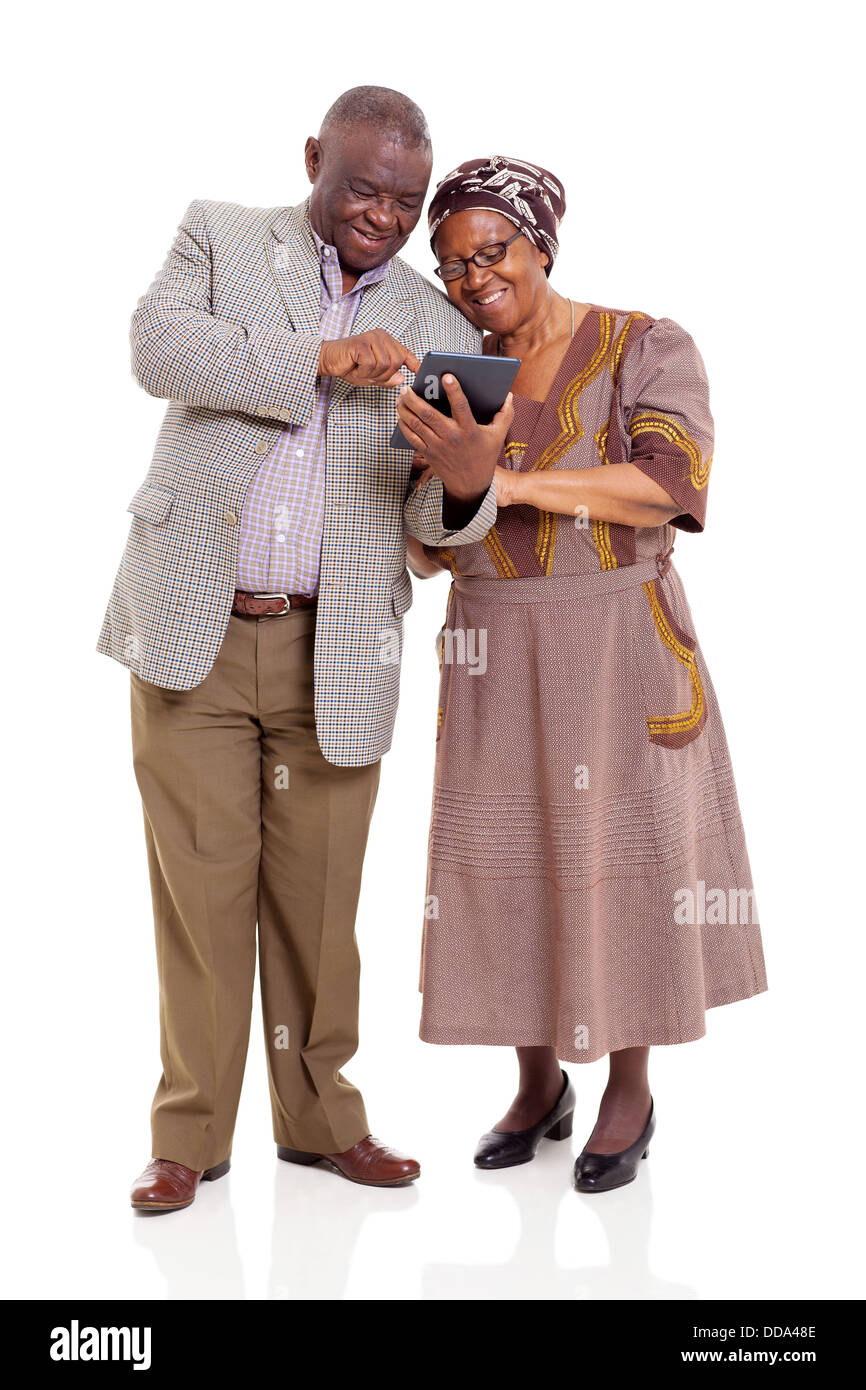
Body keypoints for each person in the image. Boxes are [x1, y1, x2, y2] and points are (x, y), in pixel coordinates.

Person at [99, 90, 501, 1213]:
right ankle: (188, 1139)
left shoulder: (445, 329)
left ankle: (323, 1123)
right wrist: (320, 357)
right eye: (361, 187)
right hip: (196, 628)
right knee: (202, 897)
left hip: (341, 643)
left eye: (403, 202)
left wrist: (463, 484)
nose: (380, 215)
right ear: (313, 159)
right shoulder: (223, 236)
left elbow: (429, 530)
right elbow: (158, 347)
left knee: (321, 908)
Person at [398, 155, 767, 1194]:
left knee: (623, 861)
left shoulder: (644, 344)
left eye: (491, 251)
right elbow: (425, 542)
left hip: (617, 644)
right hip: (492, 645)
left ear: (539, 244)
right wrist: (451, 494)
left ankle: (627, 1089)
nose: (473, 278)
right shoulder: (454, 374)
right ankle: (534, 1082)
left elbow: (663, 486)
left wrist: (503, 480)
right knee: (503, 863)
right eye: (452, 262)